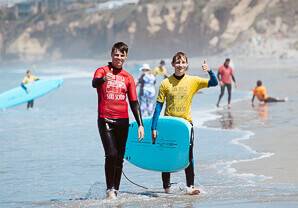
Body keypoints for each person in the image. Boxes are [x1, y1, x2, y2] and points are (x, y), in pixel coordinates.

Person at [151, 52, 218, 195]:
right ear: (173, 64)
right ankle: (166, 188)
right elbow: (158, 107)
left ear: (187, 65)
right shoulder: (165, 83)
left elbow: (214, 83)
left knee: (188, 155)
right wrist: (154, 127)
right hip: (169, 124)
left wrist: (209, 71)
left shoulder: (193, 81)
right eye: (177, 62)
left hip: (186, 124)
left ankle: (190, 187)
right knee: (167, 156)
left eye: (183, 62)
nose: (180, 65)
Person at [92, 42, 144, 199]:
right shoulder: (102, 71)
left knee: (120, 157)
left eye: (122, 55)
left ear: (126, 57)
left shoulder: (128, 77)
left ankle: (116, 190)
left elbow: (134, 102)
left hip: (123, 121)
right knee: (111, 154)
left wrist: (140, 124)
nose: (119, 57)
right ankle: (110, 189)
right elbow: (94, 83)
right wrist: (103, 80)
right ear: (111, 55)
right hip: (105, 118)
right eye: (116, 54)